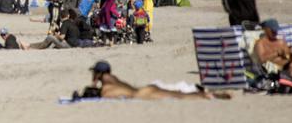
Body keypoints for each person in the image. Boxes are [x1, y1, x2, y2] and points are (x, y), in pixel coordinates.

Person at [86, 60, 227, 100]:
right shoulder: (112, 78)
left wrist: (94, 84)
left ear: (98, 73)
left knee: (179, 96)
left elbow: (106, 93)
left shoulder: (106, 87)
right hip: (144, 89)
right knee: (177, 94)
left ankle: (208, 96)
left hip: (142, 94)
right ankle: (209, 94)